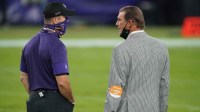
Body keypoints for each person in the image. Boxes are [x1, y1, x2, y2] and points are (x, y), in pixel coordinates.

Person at [104, 6, 170, 112]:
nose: (117, 24)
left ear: (130, 22)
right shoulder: (161, 47)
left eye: (119, 20)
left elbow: (116, 88)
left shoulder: (121, 49)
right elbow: (164, 86)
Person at [20, 2, 75, 112]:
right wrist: (71, 100)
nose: (66, 21)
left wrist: (36, 97)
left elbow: (23, 77)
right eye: (65, 17)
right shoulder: (57, 45)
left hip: (34, 102)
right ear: (55, 20)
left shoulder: (29, 44)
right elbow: (62, 83)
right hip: (54, 103)